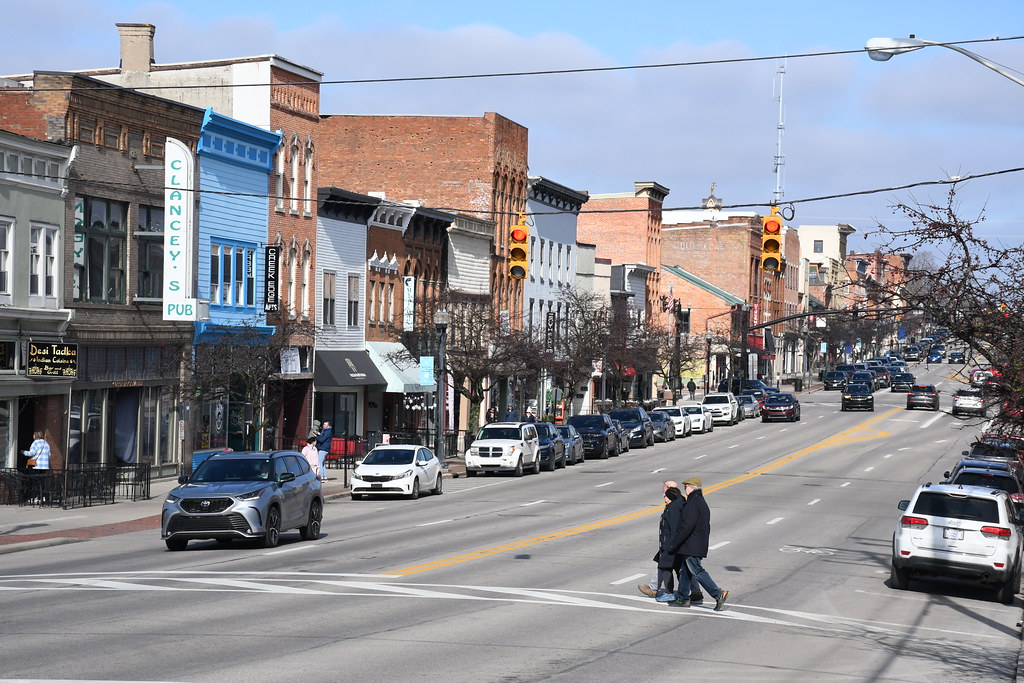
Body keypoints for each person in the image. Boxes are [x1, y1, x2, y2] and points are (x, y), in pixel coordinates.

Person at [670, 477, 729, 611]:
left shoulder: (693, 503)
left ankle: (718, 593)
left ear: (691, 487)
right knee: (685, 571)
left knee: (696, 570)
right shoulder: (699, 501)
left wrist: (675, 543)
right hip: (695, 544)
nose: (684, 489)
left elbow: (687, 525)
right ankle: (683, 598)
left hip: (692, 545)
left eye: (686, 486)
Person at [639, 480, 703, 602]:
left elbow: (673, 529)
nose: (664, 497)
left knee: (670, 567)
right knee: (676, 568)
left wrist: (671, 545)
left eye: (665, 495)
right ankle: (693, 592)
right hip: (673, 544)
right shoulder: (677, 504)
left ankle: (670, 593)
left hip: (672, 545)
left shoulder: (674, 508)